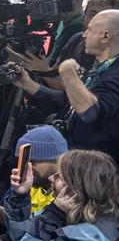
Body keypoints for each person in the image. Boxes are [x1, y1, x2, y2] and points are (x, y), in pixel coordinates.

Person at [14, 9, 119, 159]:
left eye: (89, 30)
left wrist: (67, 71)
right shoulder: (103, 67)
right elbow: (71, 103)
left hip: (91, 167)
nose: (84, 35)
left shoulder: (115, 75)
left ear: (105, 37)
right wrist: (28, 84)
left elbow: (90, 113)